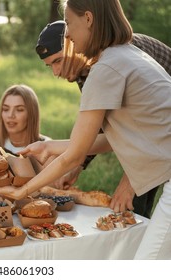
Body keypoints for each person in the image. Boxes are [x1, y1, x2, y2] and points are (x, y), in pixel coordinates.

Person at [0, 0, 171, 259]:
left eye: (70, 24)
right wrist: (51, 146)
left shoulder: (106, 68)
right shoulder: (124, 54)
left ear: (88, 19)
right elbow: (110, 139)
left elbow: (74, 155)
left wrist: (22, 191)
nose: (69, 34)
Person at [35, 20, 171, 218]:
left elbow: (146, 130)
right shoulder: (85, 70)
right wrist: (78, 165)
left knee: (132, 205)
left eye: (58, 60)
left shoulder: (122, 56)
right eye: (50, 66)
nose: (56, 72)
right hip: (154, 136)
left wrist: (130, 182)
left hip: (160, 132)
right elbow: (100, 124)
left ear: (74, 45)